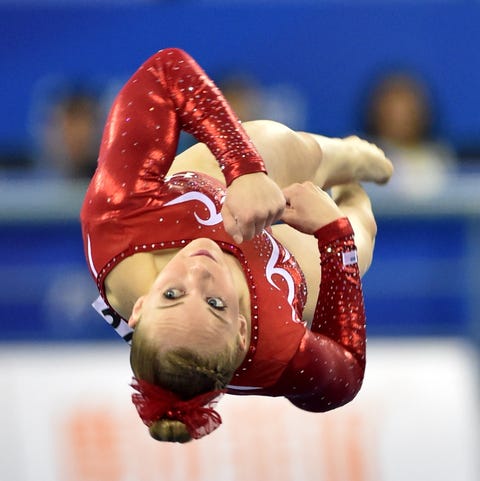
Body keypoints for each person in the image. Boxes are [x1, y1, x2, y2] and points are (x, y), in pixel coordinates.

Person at [80, 48, 392, 443]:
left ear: (140, 307)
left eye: (173, 293)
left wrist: (243, 170)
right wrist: (335, 234)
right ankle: (354, 192)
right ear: (242, 332)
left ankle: (349, 157)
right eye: (215, 304)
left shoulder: (116, 221)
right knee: (362, 237)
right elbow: (345, 375)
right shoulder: (277, 349)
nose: (200, 270)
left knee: (294, 149)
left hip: (204, 196)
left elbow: (165, 70)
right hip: (278, 275)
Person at [362, 70, 456, 198]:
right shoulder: (360, 158)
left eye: (407, 110)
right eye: (392, 110)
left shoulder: (440, 159)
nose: (400, 118)